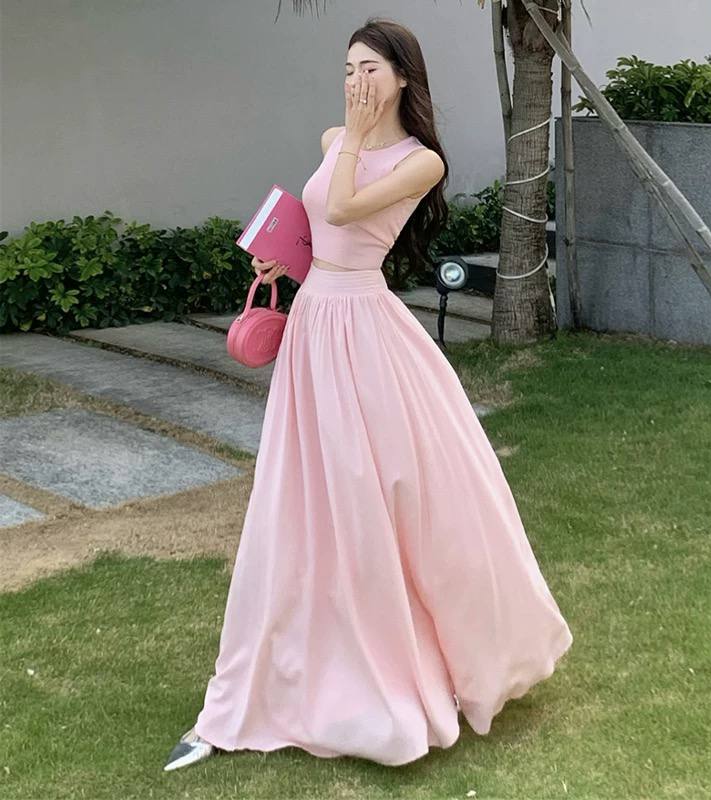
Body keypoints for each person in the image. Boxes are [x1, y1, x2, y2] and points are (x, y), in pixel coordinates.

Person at [164, 16, 573, 772]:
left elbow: (348, 210)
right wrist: (284, 255)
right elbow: (322, 228)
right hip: (313, 324)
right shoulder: (334, 140)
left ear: (403, 78)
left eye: (371, 69)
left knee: (379, 489)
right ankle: (290, 664)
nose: (356, 82)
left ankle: (400, 663)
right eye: (349, 68)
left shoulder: (420, 162)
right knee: (301, 494)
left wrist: (351, 140)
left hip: (365, 328)